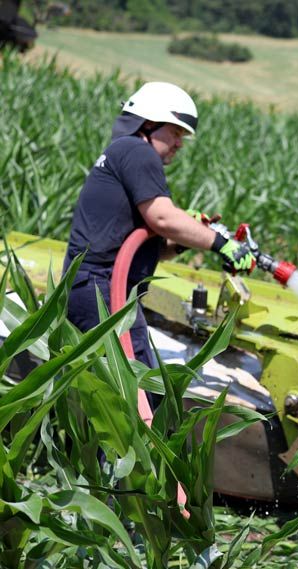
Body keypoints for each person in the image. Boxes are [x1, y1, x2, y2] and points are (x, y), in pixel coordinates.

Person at [63, 81, 256, 371]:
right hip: (103, 290)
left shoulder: (123, 152)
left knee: (105, 385)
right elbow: (163, 218)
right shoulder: (136, 151)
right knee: (137, 388)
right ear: (150, 123)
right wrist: (222, 244)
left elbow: (148, 243)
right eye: (176, 132)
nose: (179, 143)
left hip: (96, 288)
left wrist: (181, 240)